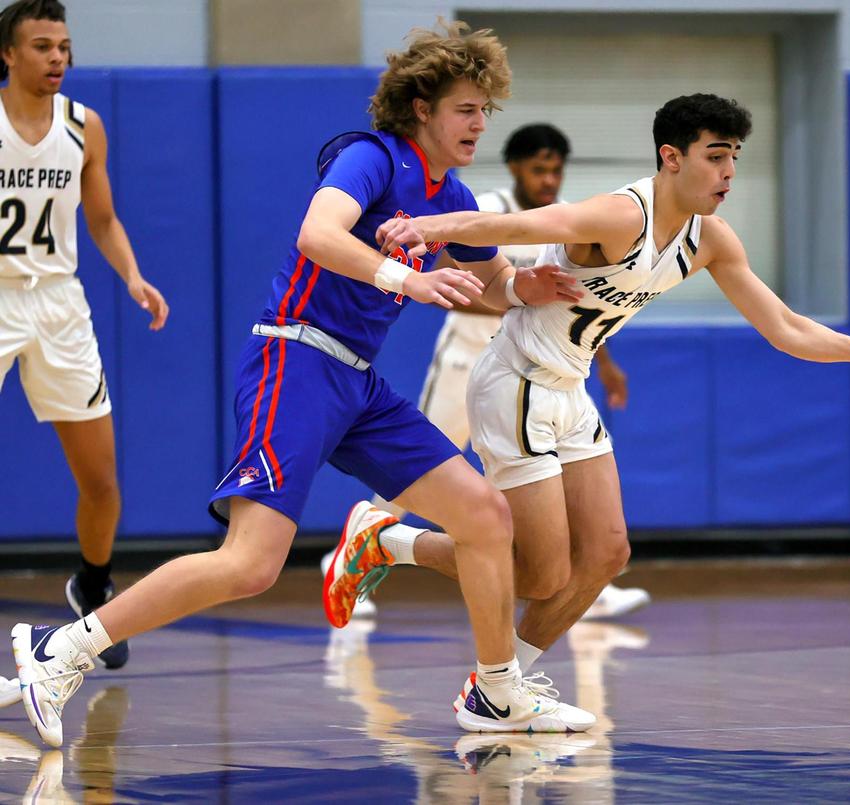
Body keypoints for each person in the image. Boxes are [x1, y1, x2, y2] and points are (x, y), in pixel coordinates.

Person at [10, 20, 595, 748]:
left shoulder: (454, 192)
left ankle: (497, 693)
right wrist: (403, 276)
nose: (480, 123)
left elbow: (484, 282)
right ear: (423, 108)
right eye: (466, 108)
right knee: (250, 565)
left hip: (358, 382)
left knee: (483, 517)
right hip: (297, 361)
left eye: (485, 110)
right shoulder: (372, 157)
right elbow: (317, 235)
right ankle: (59, 650)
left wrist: (521, 287)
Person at [328, 93, 850, 711]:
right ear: (671, 158)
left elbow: (786, 327)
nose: (728, 173)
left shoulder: (710, 239)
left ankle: (497, 691)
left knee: (608, 553)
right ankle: (386, 541)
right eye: (715, 157)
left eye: (734, 157)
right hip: (517, 381)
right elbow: (533, 225)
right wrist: (435, 225)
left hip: (569, 388)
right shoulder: (623, 215)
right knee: (538, 575)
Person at [322, 122, 649, 621]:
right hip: (469, 360)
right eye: (540, 167)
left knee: (556, 479)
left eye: (556, 169)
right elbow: (459, 285)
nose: (549, 178)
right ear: (516, 166)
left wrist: (605, 363)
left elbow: (582, 300)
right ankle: (360, 542)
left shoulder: (563, 221)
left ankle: (589, 584)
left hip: (541, 368)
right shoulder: (484, 207)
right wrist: (518, 301)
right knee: (424, 466)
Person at [0, 0, 168, 674]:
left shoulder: (83, 127)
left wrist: (131, 274)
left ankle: (92, 583)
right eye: (42, 46)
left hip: (60, 304)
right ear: (8, 54)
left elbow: (102, 219)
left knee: (100, 478)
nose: (57, 58)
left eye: (64, 45)